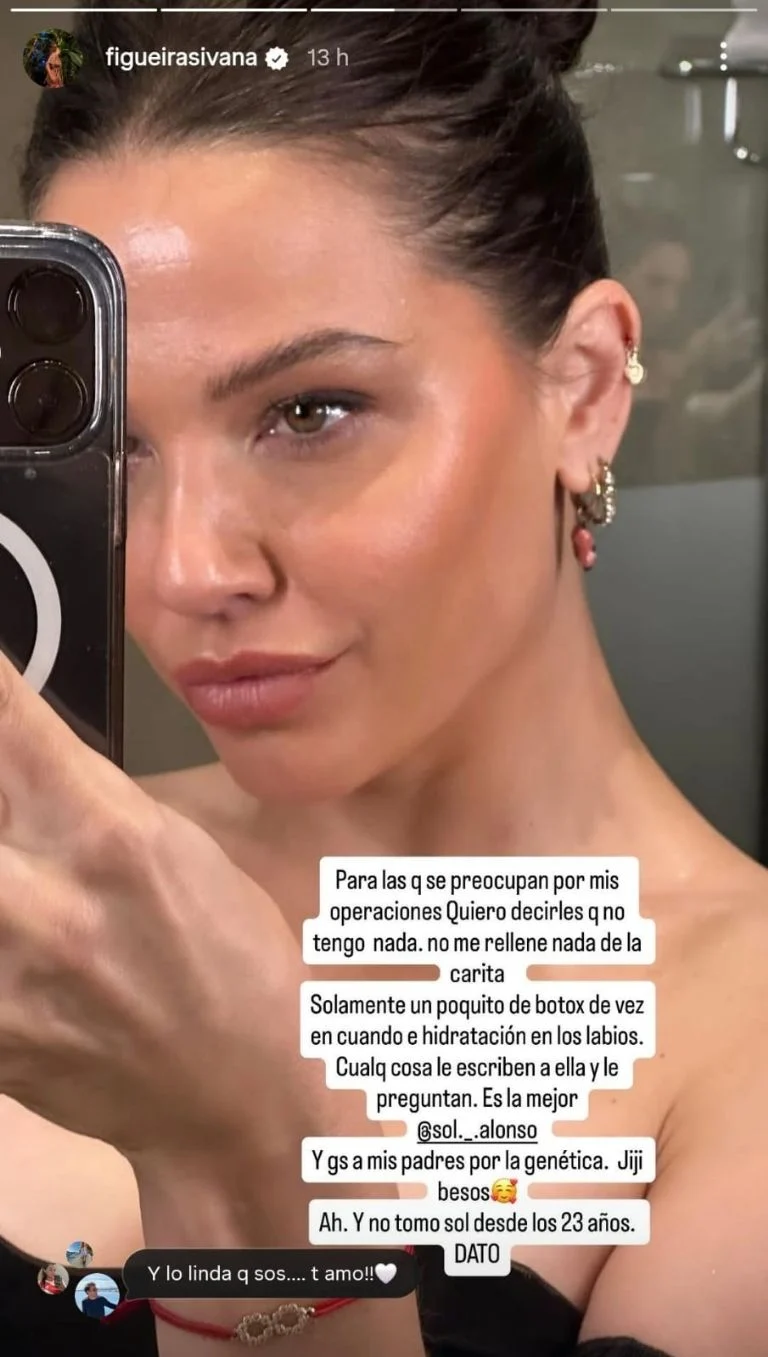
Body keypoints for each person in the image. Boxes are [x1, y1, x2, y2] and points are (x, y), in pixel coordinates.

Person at [0, 1, 766, 1355]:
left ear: (586, 388)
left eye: (310, 413)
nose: (185, 572)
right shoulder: (46, 890)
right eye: (118, 449)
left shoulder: (740, 1035)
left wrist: (247, 1149)